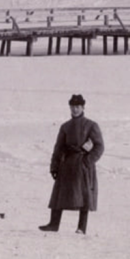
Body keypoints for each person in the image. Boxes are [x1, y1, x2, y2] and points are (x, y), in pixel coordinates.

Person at [40, 93, 104, 235]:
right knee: (59, 194)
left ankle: (81, 227)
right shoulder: (65, 126)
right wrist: (54, 166)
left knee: (84, 196)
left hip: (83, 165)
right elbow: (58, 147)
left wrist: (87, 161)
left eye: (78, 107)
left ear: (83, 108)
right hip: (67, 164)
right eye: (73, 106)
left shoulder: (91, 125)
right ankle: (53, 224)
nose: (75, 109)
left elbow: (99, 147)